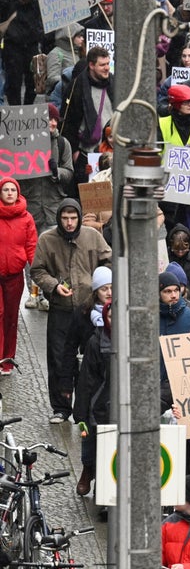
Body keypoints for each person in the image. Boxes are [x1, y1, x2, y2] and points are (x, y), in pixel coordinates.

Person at [29, 198, 111, 423]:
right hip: (61, 309)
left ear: (79, 217)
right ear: (59, 219)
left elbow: (109, 260)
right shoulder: (47, 240)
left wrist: (100, 286)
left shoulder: (92, 236)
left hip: (88, 310)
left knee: (90, 358)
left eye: (73, 218)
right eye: (65, 218)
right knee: (59, 359)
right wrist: (53, 285)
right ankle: (61, 408)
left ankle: (88, 408)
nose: (69, 223)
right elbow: (37, 270)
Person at [0, 179, 36, 377]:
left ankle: (7, 360)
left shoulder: (27, 218)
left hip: (14, 275)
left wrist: (37, 271)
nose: (9, 193)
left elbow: (31, 245)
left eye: (13, 189)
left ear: (18, 192)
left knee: (12, 318)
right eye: (5, 189)